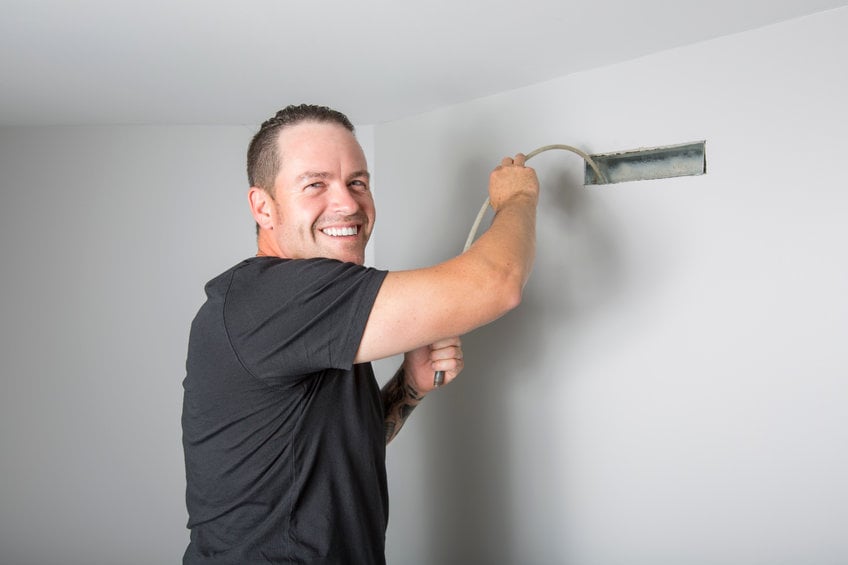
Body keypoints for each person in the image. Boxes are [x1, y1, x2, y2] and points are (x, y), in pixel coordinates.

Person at [181, 104, 539, 564]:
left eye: (357, 182)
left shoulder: (315, 304)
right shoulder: (272, 297)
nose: (348, 203)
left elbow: (331, 456)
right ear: (263, 207)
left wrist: (408, 387)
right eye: (315, 184)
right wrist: (518, 201)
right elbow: (497, 283)